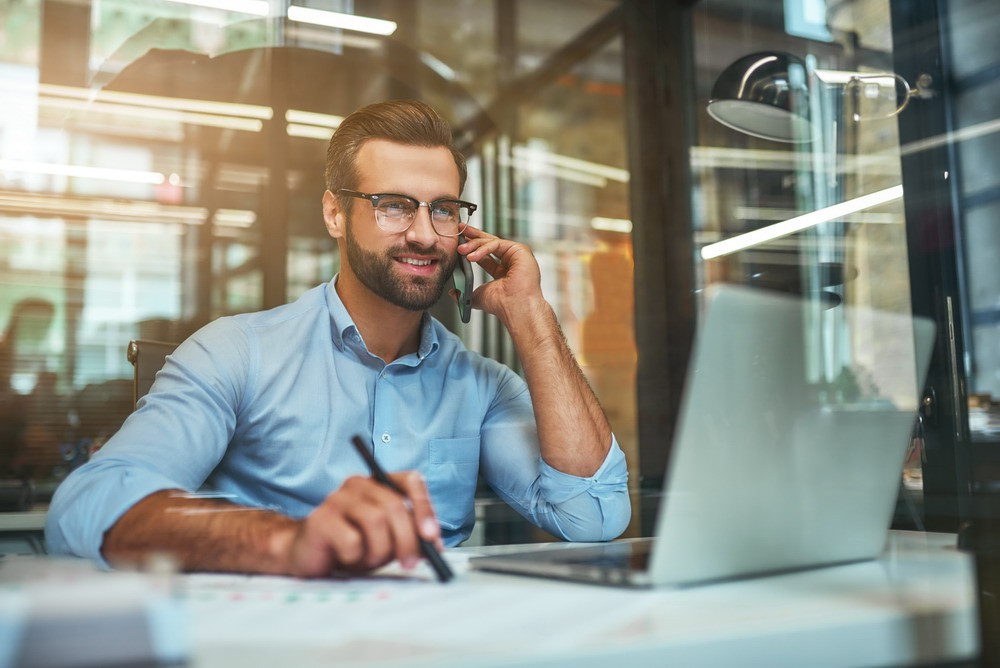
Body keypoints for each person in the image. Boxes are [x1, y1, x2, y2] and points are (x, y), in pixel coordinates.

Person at [45, 99, 630, 576]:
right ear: (333, 214)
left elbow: (593, 516)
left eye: (444, 210)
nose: (425, 235)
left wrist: (530, 314)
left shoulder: (481, 386)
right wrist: (289, 542)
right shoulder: (235, 353)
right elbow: (82, 509)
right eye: (394, 207)